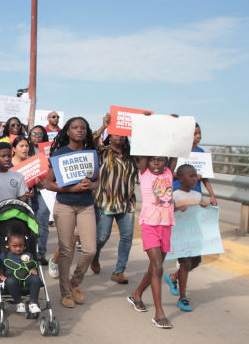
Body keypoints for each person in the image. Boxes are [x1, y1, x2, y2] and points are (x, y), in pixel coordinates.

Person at [43, 117, 98, 309]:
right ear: (68, 131)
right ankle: (65, 292)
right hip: (65, 205)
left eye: (83, 128)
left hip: (86, 206)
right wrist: (72, 189)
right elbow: (49, 184)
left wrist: (92, 185)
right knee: (66, 251)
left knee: (90, 249)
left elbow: (98, 181)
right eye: (75, 127)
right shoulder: (59, 154)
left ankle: (75, 282)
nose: (79, 130)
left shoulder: (92, 153)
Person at [128, 155, 175, 329]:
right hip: (150, 225)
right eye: (152, 159)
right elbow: (145, 148)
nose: (156, 163)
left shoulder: (169, 172)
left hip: (167, 224)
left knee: (154, 267)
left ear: (167, 162)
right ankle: (159, 313)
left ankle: (137, 293)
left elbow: (175, 149)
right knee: (158, 267)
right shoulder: (145, 173)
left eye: (161, 159)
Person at [92, 134, 139, 284]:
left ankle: (119, 270)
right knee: (102, 237)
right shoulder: (102, 152)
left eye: (122, 134)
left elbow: (149, 150)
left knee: (126, 237)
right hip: (105, 202)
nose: (119, 137)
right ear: (109, 136)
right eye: (115, 134)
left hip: (127, 203)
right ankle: (95, 255)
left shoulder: (132, 156)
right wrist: (104, 125)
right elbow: (91, 141)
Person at [166, 164, 210, 312]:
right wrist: (178, 208)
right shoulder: (174, 194)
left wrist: (206, 207)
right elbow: (167, 211)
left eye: (195, 175)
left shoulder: (197, 196)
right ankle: (182, 298)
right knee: (185, 263)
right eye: (191, 176)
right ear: (180, 178)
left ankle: (172, 277)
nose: (194, 178)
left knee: (196, 261)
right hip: (179, 234)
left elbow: (199, 215)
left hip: (194, 233)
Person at [18, 127, 51, 264]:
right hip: (27, 191)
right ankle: (28, 253)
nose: (37, 136)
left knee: (42, 222)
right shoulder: (26, 150)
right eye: (34, 133)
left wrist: (42, 183)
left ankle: (41, 253)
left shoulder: (49, 151)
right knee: (28, 223)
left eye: (40, 134)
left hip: (44, 190)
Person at [170, 122, 218, 206]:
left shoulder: (201, 152)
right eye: (195, 133)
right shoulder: (178, 151)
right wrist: (181, 175)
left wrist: (212, 195)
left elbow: (205, 177)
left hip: (195, 193)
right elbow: (168, 173)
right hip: (177, 193)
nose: (198, 136)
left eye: (199, 133)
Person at [1, 232, 42, 317]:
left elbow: (32, 265)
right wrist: (1, 275)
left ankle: (33, 303)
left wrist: (33, 270)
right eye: (14, 246)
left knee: (36, 279)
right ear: (8, 245)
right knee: (10, 281)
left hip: (26, 277)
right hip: (12, 277)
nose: (18, 248)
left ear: (25, 245)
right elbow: (1, 267)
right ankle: (19, 301)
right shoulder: (5, 256)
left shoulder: (28, 255)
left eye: (21, 246)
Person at [0, 140, 29, 207]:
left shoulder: (18, 176)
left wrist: (26, 197)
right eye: (3, 156)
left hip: (11, 216)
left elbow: (22, 202)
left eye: (9, 156)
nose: (7, 159)